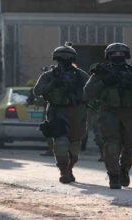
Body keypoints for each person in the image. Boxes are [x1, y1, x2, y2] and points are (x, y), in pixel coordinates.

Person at [84, 43, 132, 189]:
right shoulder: (102, 72)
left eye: (121, 54)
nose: (118, 56)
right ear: (109, 56)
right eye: (114, 54)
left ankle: (124, 170)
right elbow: (88, 92)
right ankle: (114, 176)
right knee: (112, 145)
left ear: (126, 56)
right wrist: (104, 81)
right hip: (108, 112)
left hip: (130, 112)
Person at [34, 42, 89, 184]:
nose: (64, 61)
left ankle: (70, 167)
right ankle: (64, 170)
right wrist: (53, 84)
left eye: (67, 58)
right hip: (56, 111)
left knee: (75, 148)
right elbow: (37, 90)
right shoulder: (49, 75)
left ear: (73, 60)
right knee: (61, 143)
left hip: (77, 112)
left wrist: (79, 96)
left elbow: (91, 91)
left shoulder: (80, 75)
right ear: (56, 59)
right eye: (61, 58)